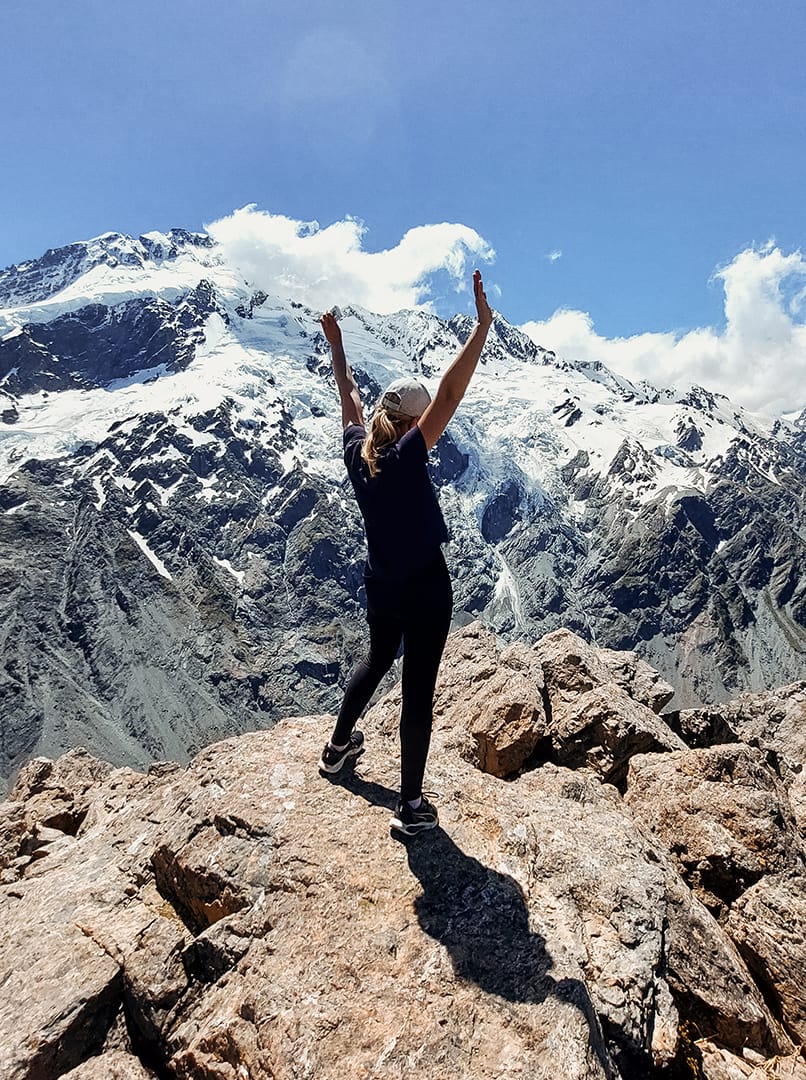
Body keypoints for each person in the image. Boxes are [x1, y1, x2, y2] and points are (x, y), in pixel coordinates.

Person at [318, 269, 493, 835]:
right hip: (425, 586)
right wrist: (481, 328)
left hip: (382, 583)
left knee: (377, 657)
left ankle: (338, 746)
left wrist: (338, 348)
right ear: (415, 424)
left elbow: (348, 399)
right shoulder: (410, 455)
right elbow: (450, 392)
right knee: (418, 689)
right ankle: (411, 807)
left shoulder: (358, 452)